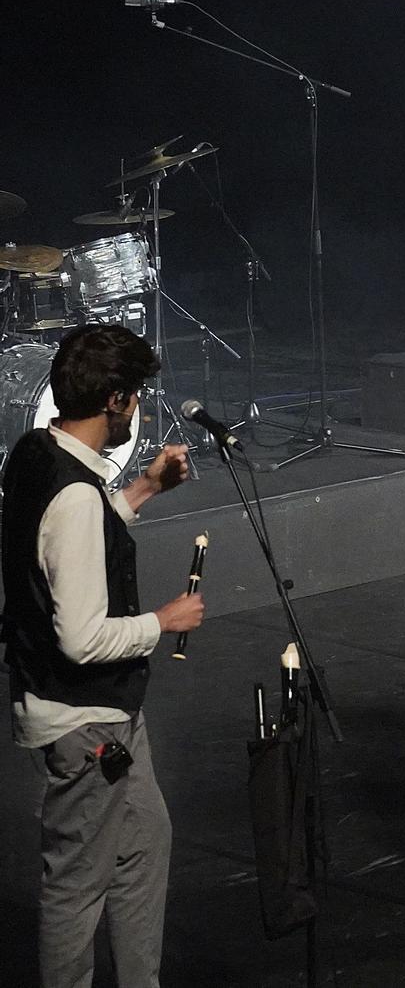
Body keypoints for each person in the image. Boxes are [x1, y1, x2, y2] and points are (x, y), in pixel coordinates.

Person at [2, 323, 200, 988]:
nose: (138, 405)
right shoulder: (78, 497)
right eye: (136, 393)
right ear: (116, 399)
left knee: (146, 841)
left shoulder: (35, 452)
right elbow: (83, 636)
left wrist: (142, 488)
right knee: (78, 883)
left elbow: (62, 552)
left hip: (100, 710)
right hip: (85, 717)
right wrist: (161, 621)